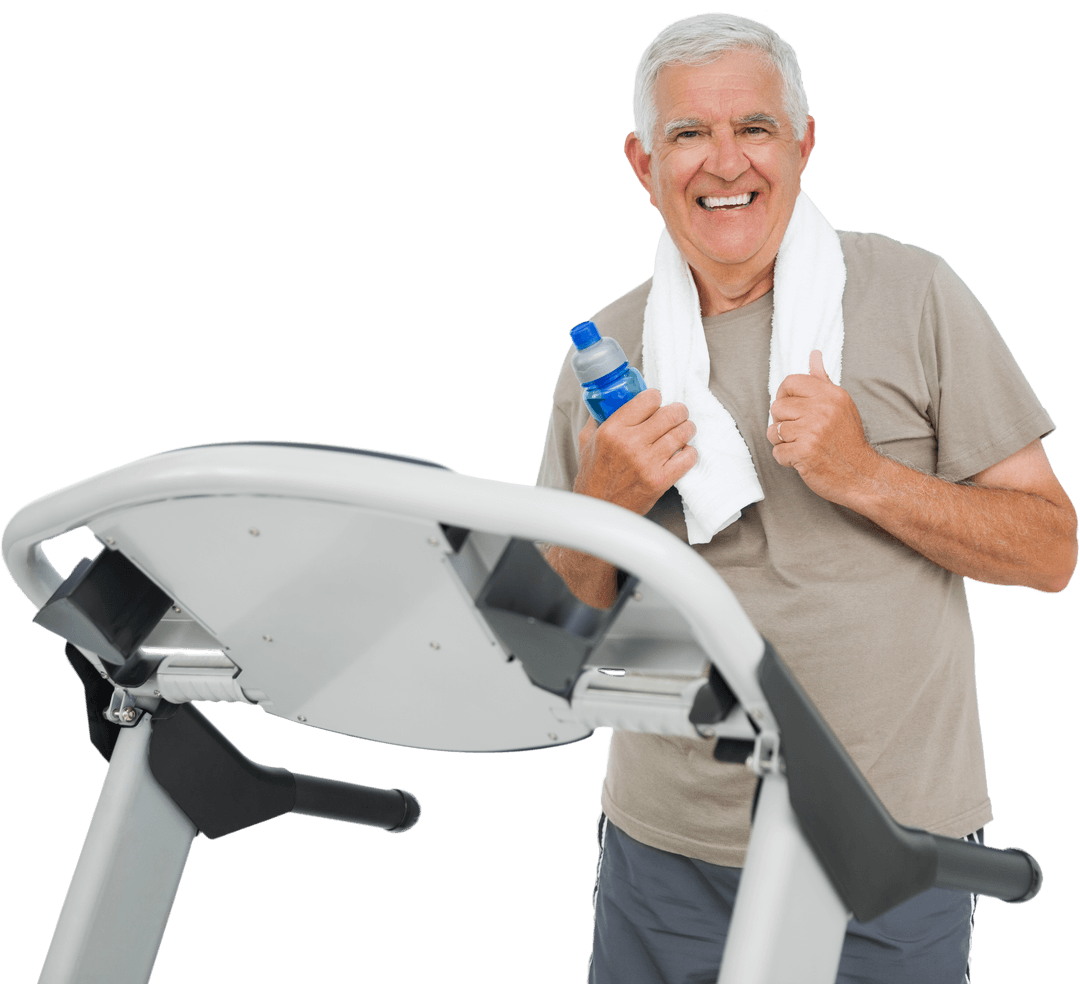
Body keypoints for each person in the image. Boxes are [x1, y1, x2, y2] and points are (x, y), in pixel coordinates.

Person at [535, 12, 1077, 984]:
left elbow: (1051, 550)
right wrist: (607, 498)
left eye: (753, 126)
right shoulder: (607, 357)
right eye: (688, 133)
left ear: (803, 141)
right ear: (642, 161)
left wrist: (864, 474)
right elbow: (549, 634)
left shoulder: (915, 294)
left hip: (889, 839)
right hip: (666, 851)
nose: (723, 161)